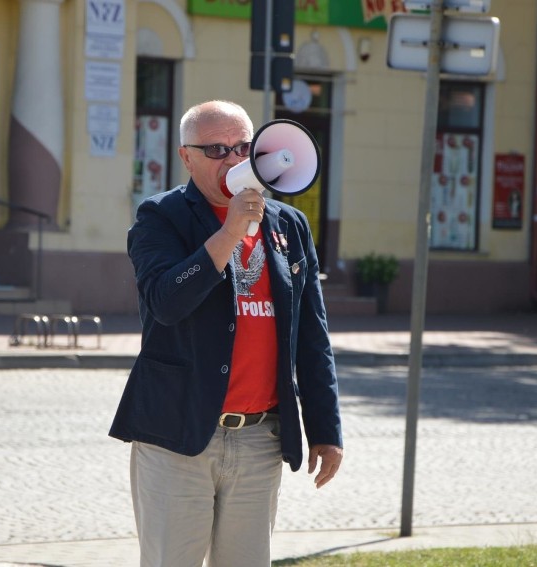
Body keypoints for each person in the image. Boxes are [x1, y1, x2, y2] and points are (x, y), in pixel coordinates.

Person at [109, 100, 343, 567]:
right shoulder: (161, 216)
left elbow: (311, 336)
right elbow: (166, 303)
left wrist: (325, 428)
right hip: (177, 432)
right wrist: (230, 231)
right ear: (186, 157)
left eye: (243, 147)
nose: (234, 160)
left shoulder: (289, 225)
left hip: (260, 438)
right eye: (216, 149)